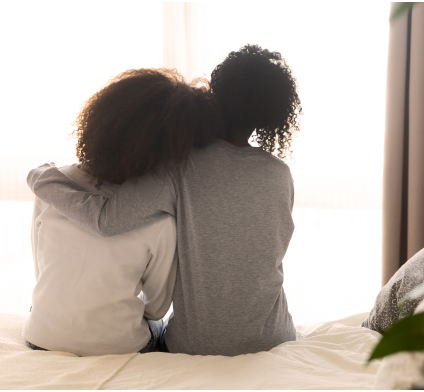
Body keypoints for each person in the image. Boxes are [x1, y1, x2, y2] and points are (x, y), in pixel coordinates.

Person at [27, 44, 303, 356]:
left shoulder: (180, 166)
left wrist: (41, 179)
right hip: (275, 337)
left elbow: (107, 220)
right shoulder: (280, 175)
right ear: (273, 114)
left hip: (195, 344)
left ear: (216, 92)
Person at [23, 68, 222, 356]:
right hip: (119, 346)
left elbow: (42, 269)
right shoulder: (161, 220)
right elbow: (156, 308)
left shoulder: (51, 186)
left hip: (40, 335)